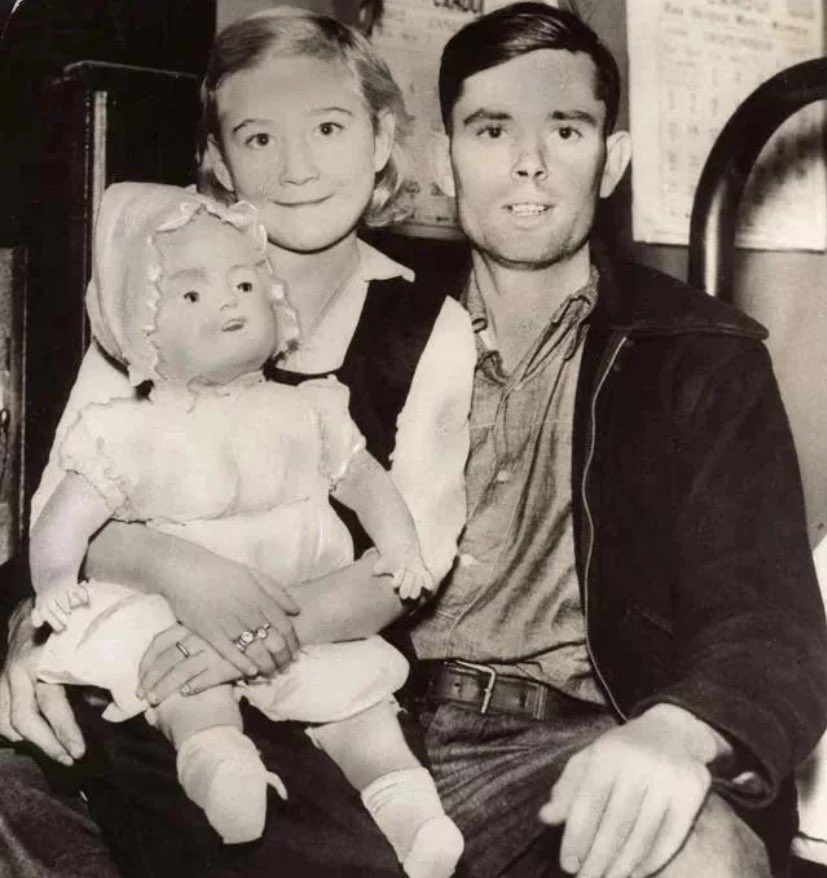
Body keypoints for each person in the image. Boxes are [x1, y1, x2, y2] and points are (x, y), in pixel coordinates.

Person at [0, 9, 474, 878]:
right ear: (218, 161)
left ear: (381, 140)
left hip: (325, 665)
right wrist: (166, 575)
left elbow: (412, 562)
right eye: (258, 139)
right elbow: (63, 511)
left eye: (328, 129)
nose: (295, 169)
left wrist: (237, 640)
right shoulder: (160, 290)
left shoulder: (424, 325)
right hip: (148, 658)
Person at [401, 4, 827, 878]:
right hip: (367, 730)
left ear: (612, 160)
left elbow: (769, 621)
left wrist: (679, 729)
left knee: (697, 855)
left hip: (580, 746)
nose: (529, 161)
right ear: (443, 161)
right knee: (41, 788)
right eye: (490, 129)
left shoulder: (701, 355)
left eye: (565, 128)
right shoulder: (370, 331)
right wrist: (50, 615)